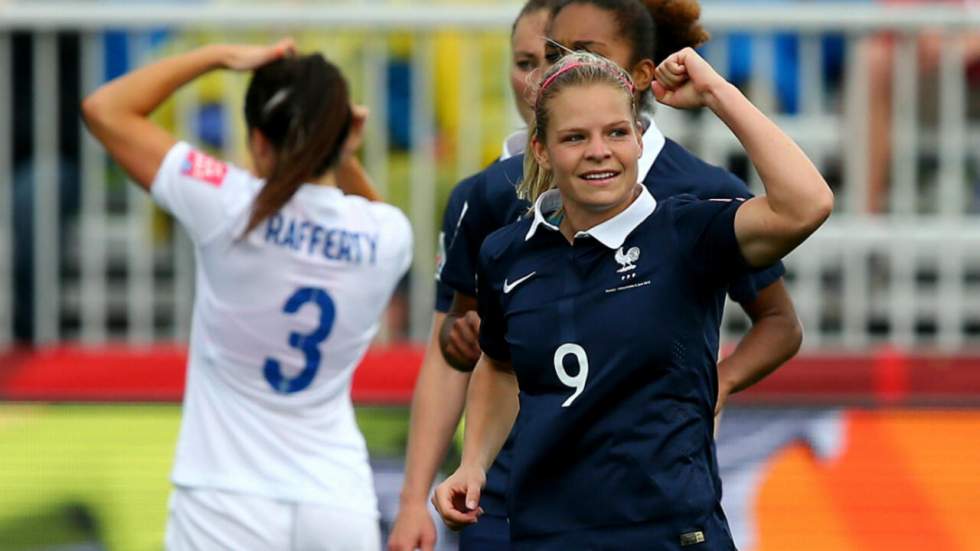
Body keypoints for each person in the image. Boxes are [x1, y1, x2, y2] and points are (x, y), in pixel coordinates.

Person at [433, 49, 833, 548]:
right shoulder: (506, 254)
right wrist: (473, 463)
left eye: (617, 133)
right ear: (539, 149)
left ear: (641, 139)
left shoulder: (687, 232)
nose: (599, 150)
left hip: (671, 534)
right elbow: (500, 365)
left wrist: (716, 93)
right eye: (575, 137)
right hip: (546, 535)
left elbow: (807, 205)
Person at [82, 39, 413, 550]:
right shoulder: (389, 234)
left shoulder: (227, 203)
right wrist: (340, 145)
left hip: (225, 501)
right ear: (347, 136)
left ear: (259, 141)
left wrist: (215, 56)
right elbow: (366, 212)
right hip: (336, 501)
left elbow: (105, 108)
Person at [386, 3, 555, 550]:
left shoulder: (675, 192)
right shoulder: (483, 196)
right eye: (523, 62)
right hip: (497, 499)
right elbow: (449, 352)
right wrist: (415, 499)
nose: (537, 82)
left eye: (555, 60)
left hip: (627, 502)